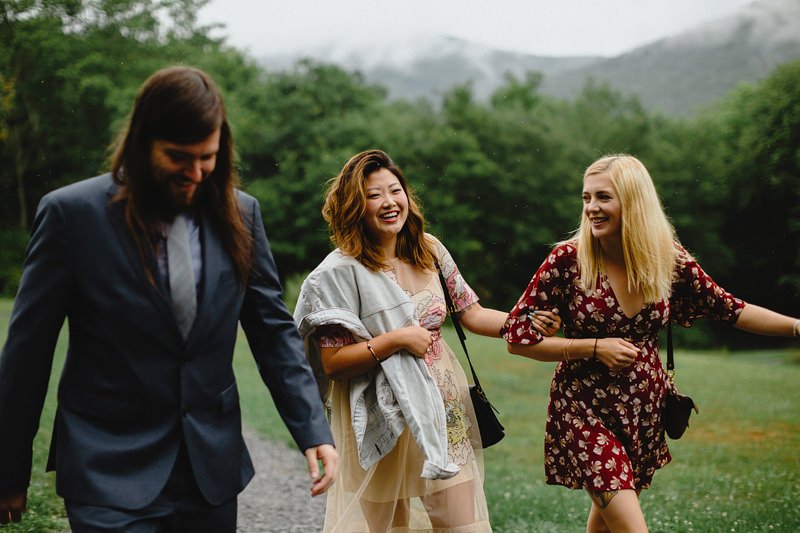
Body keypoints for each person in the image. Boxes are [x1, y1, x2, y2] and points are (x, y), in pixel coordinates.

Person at [0, 66, 337, 532]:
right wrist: (8, 470)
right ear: (142, 143)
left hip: (209, 473)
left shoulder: (242, 214)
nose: (196, 173)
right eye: (179, 157)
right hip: (107, 468)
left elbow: (272, 331)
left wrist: (311, 430)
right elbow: (27, 354)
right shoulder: (71, 216)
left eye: (209, 157)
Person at [502, 154, 799, 533]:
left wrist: (796, 327)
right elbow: (517, 339)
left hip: (643, 408)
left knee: (608, 524)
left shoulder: (667, 259)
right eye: (586, 197)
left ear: (633, 201)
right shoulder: (567, 260)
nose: (592, 208)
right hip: (583, 407)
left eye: (603, 197)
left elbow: (730, 309)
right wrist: (592, 347)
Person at [293, 149, 560, 532]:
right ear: (354, 206)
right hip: (382, 415)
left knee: (461, 525)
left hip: (442, 406)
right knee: (387, 529)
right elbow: (334, 363)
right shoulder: (339, 274)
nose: (389, 202)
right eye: (374, 195)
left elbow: (472, 313)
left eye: (395, 190)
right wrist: (397, 339)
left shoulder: (429, 250)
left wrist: (524, 323)